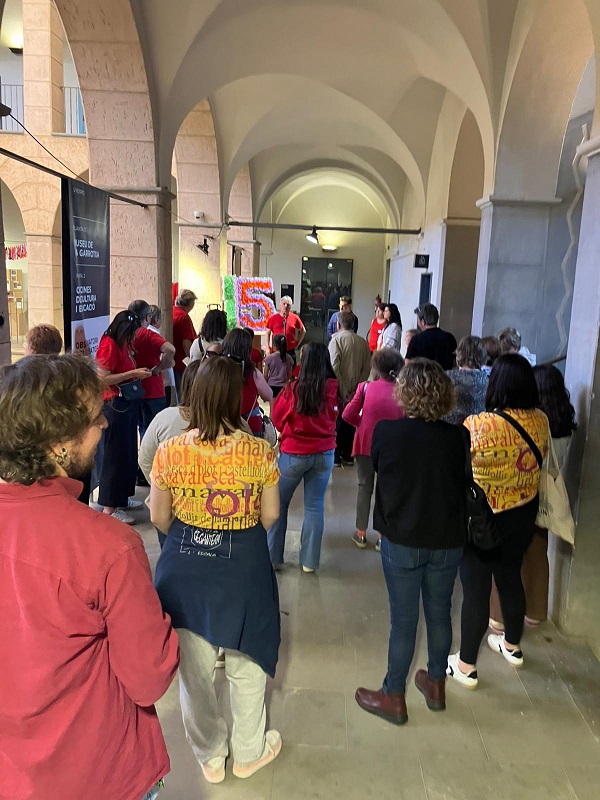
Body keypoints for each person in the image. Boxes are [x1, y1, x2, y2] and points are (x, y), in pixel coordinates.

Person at [0, 354, 179, 800]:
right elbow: (148, 680)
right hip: (98, 771)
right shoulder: (110, 546)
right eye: (95, 416)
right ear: (59, 441)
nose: (103, 423)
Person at [150, 356, 282, 784]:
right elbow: (270, 515)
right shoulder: (259, 451)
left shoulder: (170, 451)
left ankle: (210, 756)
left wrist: (194, 533)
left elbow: (158, 517)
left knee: (194, 674)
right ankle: (248, 751)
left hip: (184, 569)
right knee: (248, 662)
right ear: (234, 398)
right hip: (243, 567)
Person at [355, 359, 468, 725]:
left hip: (402, 536)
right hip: (447, 538)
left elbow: (380, 474)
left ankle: (393, 695)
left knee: (404, 621)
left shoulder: (387, 432)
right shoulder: (459, 437)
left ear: (404, 392)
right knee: (440, 612)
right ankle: (435, 683)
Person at [447, 354, 549, 690]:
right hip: (523, 511)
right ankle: (513, 646)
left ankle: (466, 665)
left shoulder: (478, 424)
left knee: (476, 590)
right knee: (510, 577)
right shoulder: (541, 421)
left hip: (483, 517)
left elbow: (460, 467)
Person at [489, 364, 577, 629]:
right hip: (546, 500)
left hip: (520, 497)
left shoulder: (534, 423)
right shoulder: (563, 423)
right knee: (538, 557)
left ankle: (498, 618)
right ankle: (536, 613)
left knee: (506, 560)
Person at [267, 343, 339, 572]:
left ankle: (273, 558)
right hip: (325, 453)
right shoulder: (335, 388)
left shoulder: (294, 389)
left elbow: (277, 420)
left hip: (294, 454)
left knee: (279, 503)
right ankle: (309, 562)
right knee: (315, 506)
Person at [342, 348, 405, 552]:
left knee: (364, 486)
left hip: (365, 444)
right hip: (393, 447)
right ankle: (381, 536)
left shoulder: (365, 388)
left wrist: (361, 424)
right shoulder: (403, 392)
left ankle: (361, 533)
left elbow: (347, 414)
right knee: (386, 490)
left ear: (376, 367)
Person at [95, 310, 152, 524]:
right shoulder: (109, 345)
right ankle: (110, 507)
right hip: (114, 405)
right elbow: (102, 378)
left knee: (127, 452)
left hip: (126, 402)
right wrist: (132, 374)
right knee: (115, 456)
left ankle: (121, 498)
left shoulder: (123, 343)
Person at [128, 299, 176, 441]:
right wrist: (159, 368)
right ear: (148, 317)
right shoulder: (147, 334)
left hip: (133, 389)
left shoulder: (126, 334)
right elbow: (170, 349)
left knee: (141, 430)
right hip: (153, 389)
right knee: (155, 433)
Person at [328, 310, 371, 465]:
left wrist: (344, 391)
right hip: (356, 390)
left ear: (338, 324)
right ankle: (348, 454)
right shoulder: (363, 342)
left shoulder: (336, 341)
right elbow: (366, 369)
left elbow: (334, 368)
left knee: (338, 420)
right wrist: (356, 390)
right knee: (352, 419)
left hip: (340, 390)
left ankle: (336, 454)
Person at [221, 328, 273, 435]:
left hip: (223, 425)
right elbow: (268, 395)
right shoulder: (253, 373)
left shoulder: (218, 370)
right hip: (250, 427)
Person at [443, 335, 489, 425]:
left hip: (449, 428)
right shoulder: (487, 380)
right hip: (477, 428)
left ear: (459, 354)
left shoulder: (446, 377)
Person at [406, 303, 457, 370]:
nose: (418, 323)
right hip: (444, 375)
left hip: (422, 376)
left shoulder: (416, 339)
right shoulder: (449, 338)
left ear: (423, 322)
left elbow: (408, 363)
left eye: (418, 320)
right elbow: (454, 362)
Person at [148, 304, 177, 406]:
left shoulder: (148, 332)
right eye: (161, 317)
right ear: (156, 320)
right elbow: (169, 351)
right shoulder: (154, 335)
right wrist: (162, 366)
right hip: (161, 380)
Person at [172, 288, 197, 393]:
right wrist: (191, 363)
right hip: (181, 362)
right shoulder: (184, 317)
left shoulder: (172, 311)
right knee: (183, 392)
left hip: (173, 360)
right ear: (190, 303)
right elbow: (186, 344)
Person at [266, 296, 305, 363]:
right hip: (277, 350)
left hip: (290, 350)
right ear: (280, 305)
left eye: (288, 304)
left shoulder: (295, 317)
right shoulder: (273, 318)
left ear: (290, 307)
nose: (286, 306)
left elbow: (303, 331)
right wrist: (267, 348)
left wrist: (297, 343)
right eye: (284, 304)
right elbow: (267, 332)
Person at [264, 333, 293, 397]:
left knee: (273, 403)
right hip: (284, 386)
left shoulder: (269, 358)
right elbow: (289, 375)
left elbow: (265, 375)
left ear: (274, 345)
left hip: (272, 385)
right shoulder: (289, 358)